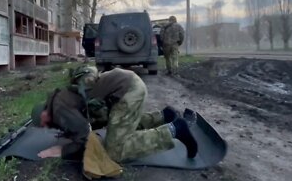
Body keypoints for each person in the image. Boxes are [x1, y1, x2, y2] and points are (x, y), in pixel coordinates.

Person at [31, 66, 197, 162]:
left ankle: (175, 129)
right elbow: (89, 118)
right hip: (129, 83)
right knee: (116, 125)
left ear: (45, 113)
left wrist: (62, 150)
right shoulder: (59, 98)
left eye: (43, 123)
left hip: (128, 92)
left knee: (114, 150)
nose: (46, 126)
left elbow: (84, 135)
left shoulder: (59, 109)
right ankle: (163, 116)